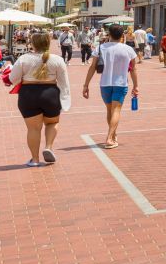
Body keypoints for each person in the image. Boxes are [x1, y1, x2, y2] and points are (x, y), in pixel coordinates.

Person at [9, 30, 71, 167]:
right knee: (52, 122)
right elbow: (64, 82)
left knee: (33, 129)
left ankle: (35, 159)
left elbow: (12, 79)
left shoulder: (24, 58)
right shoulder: (57, 60)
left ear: (32, 43)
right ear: (48, 42)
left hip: (28, 94)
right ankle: (48, 147)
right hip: (50, 94)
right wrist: (65, 99)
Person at [81, 24, 138, 149]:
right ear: (122, 35)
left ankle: (113, 134)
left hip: (105, 84)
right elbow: (133, 69)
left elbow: (92, 67)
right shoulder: (128, 49)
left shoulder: (100, 48)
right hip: (121, 84)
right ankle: (109, 138)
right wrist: (136, 86)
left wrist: (86, 85)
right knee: (116, 110)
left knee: (109, 110)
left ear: (109, 34)